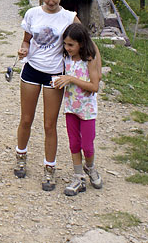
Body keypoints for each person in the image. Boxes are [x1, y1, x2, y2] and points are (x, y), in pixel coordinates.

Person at [14, 0, 79, 191]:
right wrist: (24, 49)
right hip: (32, 70)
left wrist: (90, 64)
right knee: (26, 119)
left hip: (55, 75)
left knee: (50, 125)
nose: (51, 2)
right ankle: (20, 156)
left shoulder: (69, 17)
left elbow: (84, 39)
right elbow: (26, 39)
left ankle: (49, 169)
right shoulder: (33, 13)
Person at [54, 23, 103, 196]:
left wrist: (71, 79)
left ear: (81, 44)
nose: (67, 48)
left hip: (87, 110)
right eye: (65, 44)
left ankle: (90, 167)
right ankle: (78, 177)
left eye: (71, 45)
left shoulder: (88, 59)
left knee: (87, 146)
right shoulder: (66, 58)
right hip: (71, 108)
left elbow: (94, 86)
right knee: (74, 143)